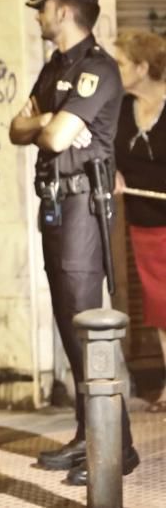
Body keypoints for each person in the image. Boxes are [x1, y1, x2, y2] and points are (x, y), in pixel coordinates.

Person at [10, 0, 140, 484]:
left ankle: (118, 447)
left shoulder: (98, 70)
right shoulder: (56, 67)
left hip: (83, 206)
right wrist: (46, 123)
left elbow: (55, 137)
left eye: (43, 8)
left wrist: (48, 122)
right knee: (70, 325)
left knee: (89, 329)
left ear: (63, 10)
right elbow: (17, 128)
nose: (38, 16)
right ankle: (90, 435)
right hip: (56, 206)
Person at [113, 30, 166, 412]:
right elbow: (104, 149)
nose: (114, 70)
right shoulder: (120, 107)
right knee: (160, 308)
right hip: (144, 223)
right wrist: (113, 172)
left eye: (120, 63)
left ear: (143, 67)